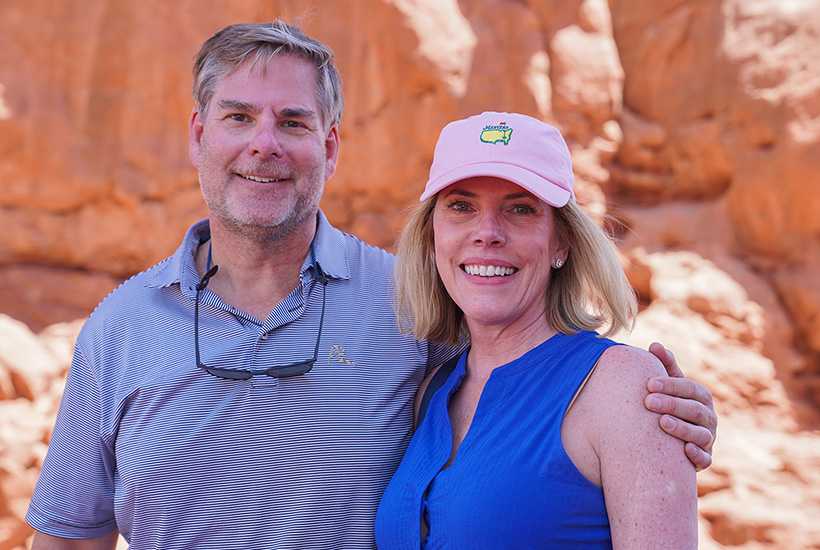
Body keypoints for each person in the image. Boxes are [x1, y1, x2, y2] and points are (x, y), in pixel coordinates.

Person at [26, 23, 714, 550]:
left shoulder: (409, 309)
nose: (264, 143)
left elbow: (550, 392)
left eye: (293, 122)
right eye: (239, 117)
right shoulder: (118, 326)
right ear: (198, 134)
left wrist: (662, 420)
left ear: (329, 147)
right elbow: (68, 534)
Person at [375, 111, 700, 549]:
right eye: (461, 206)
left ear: (560, 242)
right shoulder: (433, 389)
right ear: (433, 236)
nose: (486, 233)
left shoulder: (625, 387)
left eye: (520, 209)